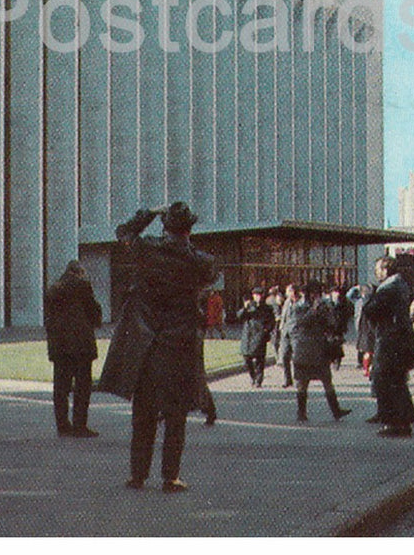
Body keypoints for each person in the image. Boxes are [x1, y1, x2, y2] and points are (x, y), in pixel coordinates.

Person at [98, 203, 217, 494]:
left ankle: (138, 475)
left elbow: (124, 232)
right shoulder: (201, 262)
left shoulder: (148, 251)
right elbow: (208, 276)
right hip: (180, 349)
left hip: (147, 347)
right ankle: (170, 477)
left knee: (143, 415)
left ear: (165, 227)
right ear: (189, 229)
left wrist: (149, 213)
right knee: (176, 418)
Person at [43, 260, 102, 438]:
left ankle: (62, 425)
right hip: (80, 344)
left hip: (60, 345)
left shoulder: (53, 289)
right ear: (79, 272)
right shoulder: (82, 286)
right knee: (82, 386)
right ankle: (79, 425)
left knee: (61, 387)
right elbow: (93, 310)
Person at [359, 255, 414, 437]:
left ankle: (392, 423)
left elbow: (371, 311)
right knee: (397, 382)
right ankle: (403, 422)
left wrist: (367, 297)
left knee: (385, 381)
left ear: (385, 270)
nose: (376, 273)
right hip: (400, 340)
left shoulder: (388, 290)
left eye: (377, 269)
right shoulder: (400, 286)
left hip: (389, 341)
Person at [290, 282, 351, 423]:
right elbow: (300, 323)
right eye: (313, 293)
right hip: (304, 348)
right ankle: (301, 412)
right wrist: (314, 310)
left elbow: (332, 324)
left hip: (320, 348)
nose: (316, 296)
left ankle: (336, 410)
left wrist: (329, 311)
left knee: (327, 380)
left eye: (318, 293)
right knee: (302, 382)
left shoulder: (324, 306)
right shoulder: (299, 307)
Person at [237, 287, 275, 387]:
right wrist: (245, 308)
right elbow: (239, 316)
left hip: (260, 335)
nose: (258, 297)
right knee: (246, 357)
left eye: (260, 295)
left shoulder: (267, 308)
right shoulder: (249, 306)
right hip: (248, 335)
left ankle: (259, 379)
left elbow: (272, 321)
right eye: (256, 295)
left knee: (260, 359)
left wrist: (266, 330)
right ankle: (253, 376)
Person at [277, 283, 307, 388]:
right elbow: (284, 316)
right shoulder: (287, 302)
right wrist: (281, 328)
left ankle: (299, 379)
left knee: (297, 357)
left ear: (294, 292)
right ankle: (287, 379)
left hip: (297, 333)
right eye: (287, 292)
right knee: (284, 356)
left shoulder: (302, 303)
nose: (287, 294)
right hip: (286, 333)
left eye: (289, 291)